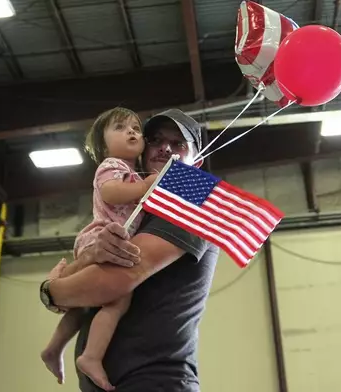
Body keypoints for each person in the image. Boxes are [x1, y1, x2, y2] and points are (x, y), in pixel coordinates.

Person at [39, 108, 220, 392]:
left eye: (178, 144)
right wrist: (80, 265)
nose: (164, 149)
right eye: (156, 140)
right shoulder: (135, 206)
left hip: (154, 378)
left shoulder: (192, 193)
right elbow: (92, 270)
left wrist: (52, 291)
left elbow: (115, 279)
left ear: (196, 160)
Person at [40, 107, 159, 391]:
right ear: (103, 145)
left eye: (135, 128)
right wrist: (144, 186)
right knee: (118, 298)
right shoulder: (112, 167)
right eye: (120, 127)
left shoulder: (130, 171)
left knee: (86, 302)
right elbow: (110, 192)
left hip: (106, 239)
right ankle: (91, 356)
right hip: (101, 237)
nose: (132, 131)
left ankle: (54, 347)